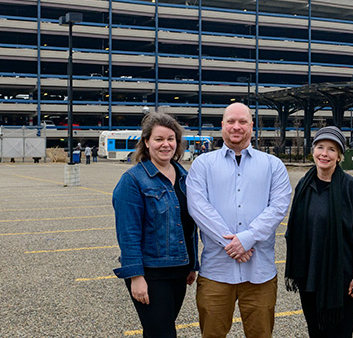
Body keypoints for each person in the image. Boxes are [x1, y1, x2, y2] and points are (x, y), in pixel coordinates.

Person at [187, 102, 292, 338]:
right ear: (222, 125)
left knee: (261, 335)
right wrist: (235, 244)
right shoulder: (202, 165)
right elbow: (198, 208)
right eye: (231, 121)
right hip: (216, 272)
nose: (237, 127)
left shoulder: (273, 166)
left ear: (252, 126)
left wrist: (247, 239)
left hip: (260, 274)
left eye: (243, 121)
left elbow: (277, 208)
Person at [284, 126, 353, 338]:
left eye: (331, 149)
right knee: (315, 333)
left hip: (341, 279)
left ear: (339, 156)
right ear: (313, 150)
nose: (324, 154)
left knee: (340, 334)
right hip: (309, 276)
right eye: (320, 147)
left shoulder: (350, 187)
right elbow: (293, 229)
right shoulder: (304, 185)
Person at [112, 112, 198, 338]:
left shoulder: (185, 177)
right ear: (147, 142)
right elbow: (128, 233)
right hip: (151, 273)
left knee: (158, 331)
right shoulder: (133, 180)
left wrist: (192, 264)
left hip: (179, 270)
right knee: (163, 333)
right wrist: (135, 277)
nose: (165, 144)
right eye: (159, 139)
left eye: (171, 139)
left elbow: (190, 225)